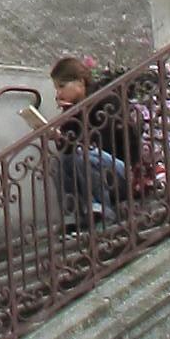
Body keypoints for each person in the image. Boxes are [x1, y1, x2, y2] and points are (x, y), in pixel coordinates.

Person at [47, 56, 128, 239]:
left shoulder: (106, 100)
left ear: (80, 82)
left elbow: (101, 143)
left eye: (62, 86)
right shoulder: (72, 110)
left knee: (83, 154)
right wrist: (60, 134)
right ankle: (73, 216)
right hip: (92, 162)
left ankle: (103, 212)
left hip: (118, 168)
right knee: (59, 163)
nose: (58, 94)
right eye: (57, 88)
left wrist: (76, 115)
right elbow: (68, 152)